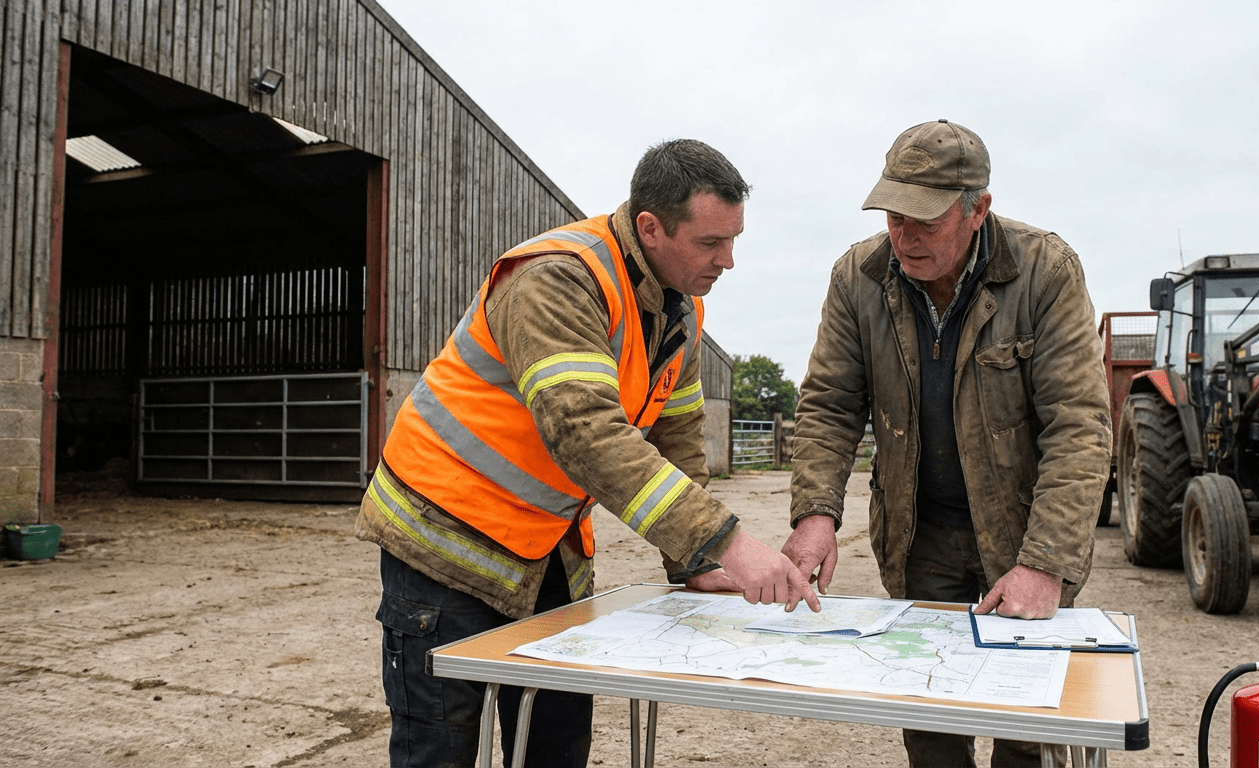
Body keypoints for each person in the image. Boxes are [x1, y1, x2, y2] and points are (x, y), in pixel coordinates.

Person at [356, 138, 819, 768]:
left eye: (734, 239)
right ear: (651, 227)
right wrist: (731, 543)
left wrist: (694, 559)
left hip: (545, 552)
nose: (729, 260)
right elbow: (588, 435)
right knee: (442, 747)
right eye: (711, 243)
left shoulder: (680, 310)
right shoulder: (558, 279)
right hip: (444, 542)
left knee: (557, 741)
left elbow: (677, 439)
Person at [783, 120, 1111, 768]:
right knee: (930, 715)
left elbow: (1078, 424)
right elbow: (828, 405)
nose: (903, 236)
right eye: (894, 216)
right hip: (919, 537)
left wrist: (1045, 562)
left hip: (1022, 535)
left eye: (925, 221)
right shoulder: (858, 277)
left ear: (977, 210)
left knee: (1025, 724)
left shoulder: (1045, 270)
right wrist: (816, 515)